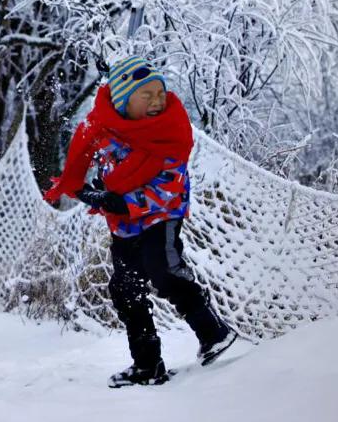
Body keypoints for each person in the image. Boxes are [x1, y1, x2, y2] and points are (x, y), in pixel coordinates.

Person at [43, 56, 236, 387]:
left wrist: (122, 202)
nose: (158, 101)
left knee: (164, 270)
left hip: (163, 213)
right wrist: (91, 192)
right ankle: (147, 365)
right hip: (124, 223)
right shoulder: (103, 128)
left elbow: (170, 183)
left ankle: (213, 332)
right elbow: (100, 165)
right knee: (124, 288)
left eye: (160, 93)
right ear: (122, 100)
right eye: (146, 95)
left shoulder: (170, 131)